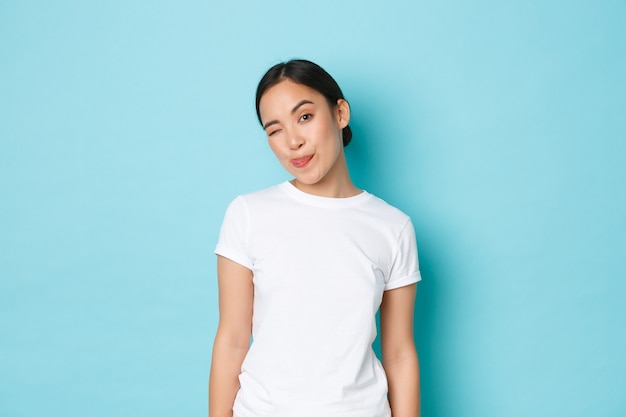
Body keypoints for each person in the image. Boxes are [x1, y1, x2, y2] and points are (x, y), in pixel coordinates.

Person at [209, 59, 421, 417]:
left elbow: (400, 354)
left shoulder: (393, 227)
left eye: (304, 117)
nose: (293, 141)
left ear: (340, 113)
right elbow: (231, 340)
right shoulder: (248, 214)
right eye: (274, 130)